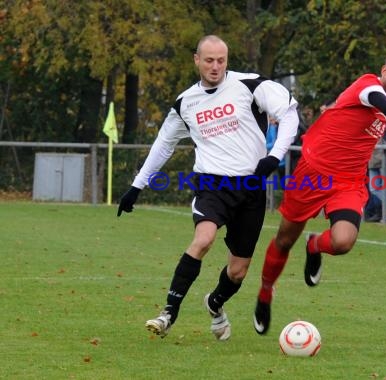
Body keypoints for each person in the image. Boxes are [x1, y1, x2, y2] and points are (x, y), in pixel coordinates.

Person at [252, 48, 386, 335]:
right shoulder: (367, 87)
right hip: (312, 174)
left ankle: (314, 245)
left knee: (343, 241)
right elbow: (383, 104)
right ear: (384, 71)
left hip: (348, 182)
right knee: (284, 240)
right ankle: (265, 292)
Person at [116, 35, 299, 340]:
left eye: (221, 60)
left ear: (227, 60)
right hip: (211, 184)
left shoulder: (251, 85)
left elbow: (290, 115)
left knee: (238, 271)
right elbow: (163, 145)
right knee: (203, 239)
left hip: (251, 187)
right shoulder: (185, 103)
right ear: (196, 60)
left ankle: (215, 303)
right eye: (209, 60)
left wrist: (274, 156)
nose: (216, 67)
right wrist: (136, 186)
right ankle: (168, 313)